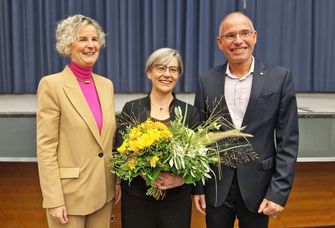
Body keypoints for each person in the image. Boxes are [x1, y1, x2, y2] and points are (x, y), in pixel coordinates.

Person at [193, 12, 299, 228]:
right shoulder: (206, 80)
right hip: (217, 188)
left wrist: (279, 192)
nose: (238, 41)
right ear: (220, 43)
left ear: (255, 36)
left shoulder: (279, 78)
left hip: (259, 188)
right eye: (230, 35)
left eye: (244, 33)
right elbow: (198, 138)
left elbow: (288, 141)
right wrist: (198, 187)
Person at [36, 14, 121, 228]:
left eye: (94, 39)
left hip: (104, 193)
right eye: (82, 39)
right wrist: (53, 199)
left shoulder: (106, 86)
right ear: (68, 44)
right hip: (69, 197)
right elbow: (46, 148)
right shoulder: (51, 85)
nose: (90, 45)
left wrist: (116, 181)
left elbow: (109, 140)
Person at [115, 48, 199, 228]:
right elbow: (119, 151)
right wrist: (143, 171)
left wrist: (180, 180)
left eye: (173, 69)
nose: (167, 74)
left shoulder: (189, 113)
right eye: (161, 68)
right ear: (149, 72)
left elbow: (200, 161)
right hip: (137, 199)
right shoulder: (131, 109)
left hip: (176, 200)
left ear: (178, 75)